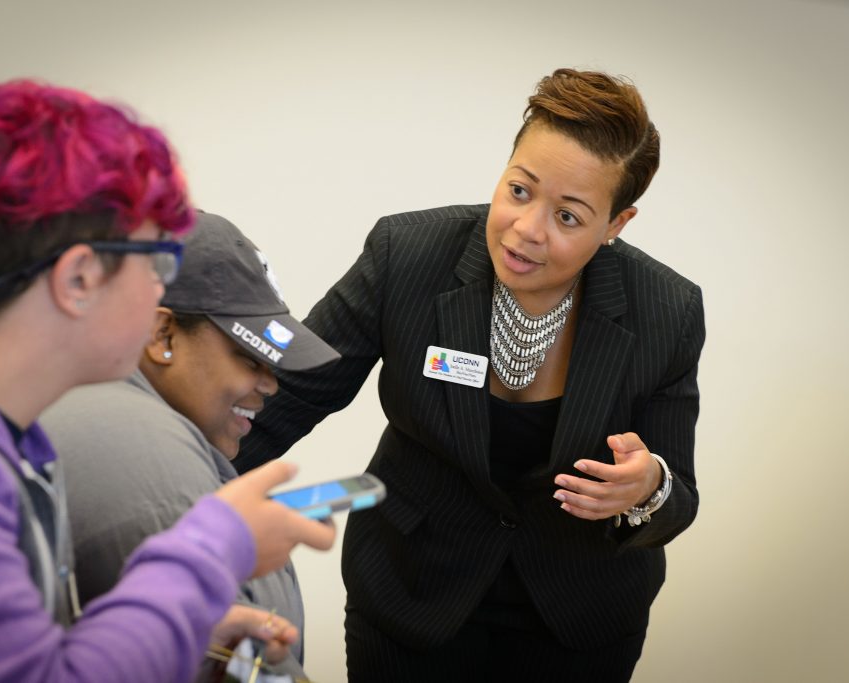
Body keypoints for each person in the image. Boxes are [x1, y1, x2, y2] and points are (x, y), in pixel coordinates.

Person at [236, 67, 706, 682]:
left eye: (569, 217)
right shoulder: (406, 256)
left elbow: (679, 498)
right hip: (410, 596)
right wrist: (191, 503)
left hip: (577, 623)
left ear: (616, 224)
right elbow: (287, 392)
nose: (527, 229)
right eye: (519, 190)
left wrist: (648, 489)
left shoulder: (667, 311)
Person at [0, 80, 334, 682]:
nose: (159, 294)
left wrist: (173, 629)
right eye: (156, 263)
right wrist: (212, 547)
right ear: (78, 279)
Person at [41, 210, 340, 680]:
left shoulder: (118, 412)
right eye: (248, 357)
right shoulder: (139, 448)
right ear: (162, 335)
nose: (269, 385)